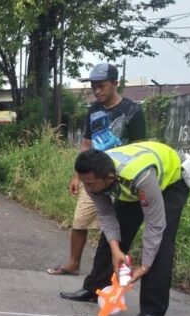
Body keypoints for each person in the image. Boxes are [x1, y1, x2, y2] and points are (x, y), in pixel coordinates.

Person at [61, 142, 188, 316]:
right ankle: (94, 288)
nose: (87, 187)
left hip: (170, 183)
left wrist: (144, 266)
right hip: (130, 183)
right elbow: (106, 215)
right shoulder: (93, 177)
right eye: (84, 182)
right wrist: (115, 249)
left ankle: (152, 312)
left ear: (109, 178)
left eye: (90, 184)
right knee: (111, 237)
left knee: (160, 243)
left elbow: (155, 225)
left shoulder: (140, 177)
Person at [48, 63, 146, 276]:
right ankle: (73, 264)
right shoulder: (93, 110)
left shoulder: (132, 111)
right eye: (94, 87)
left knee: (115, 227)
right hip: (93, 176)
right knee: (79, 220)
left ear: (115, 83)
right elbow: (86, 144)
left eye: (102, 86)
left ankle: (114, 271)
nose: (97, 91)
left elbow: (141, 148)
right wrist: (77, 176)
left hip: (121, 178)